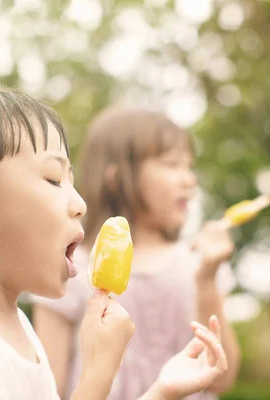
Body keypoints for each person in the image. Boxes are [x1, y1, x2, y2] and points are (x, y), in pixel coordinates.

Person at [0, 88, 227, 400]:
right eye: (53, 179)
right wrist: (97, 373)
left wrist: (162, 391)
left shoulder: (13, 328)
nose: (80, 204)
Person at [31, 106, 241, 400]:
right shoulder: (70, 266)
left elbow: (222, 378)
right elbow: (48, 389)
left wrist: (207, 280)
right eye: (172, 165)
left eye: (189, 167)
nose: (189, 179)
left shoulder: (198, 264)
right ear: (116, 177)